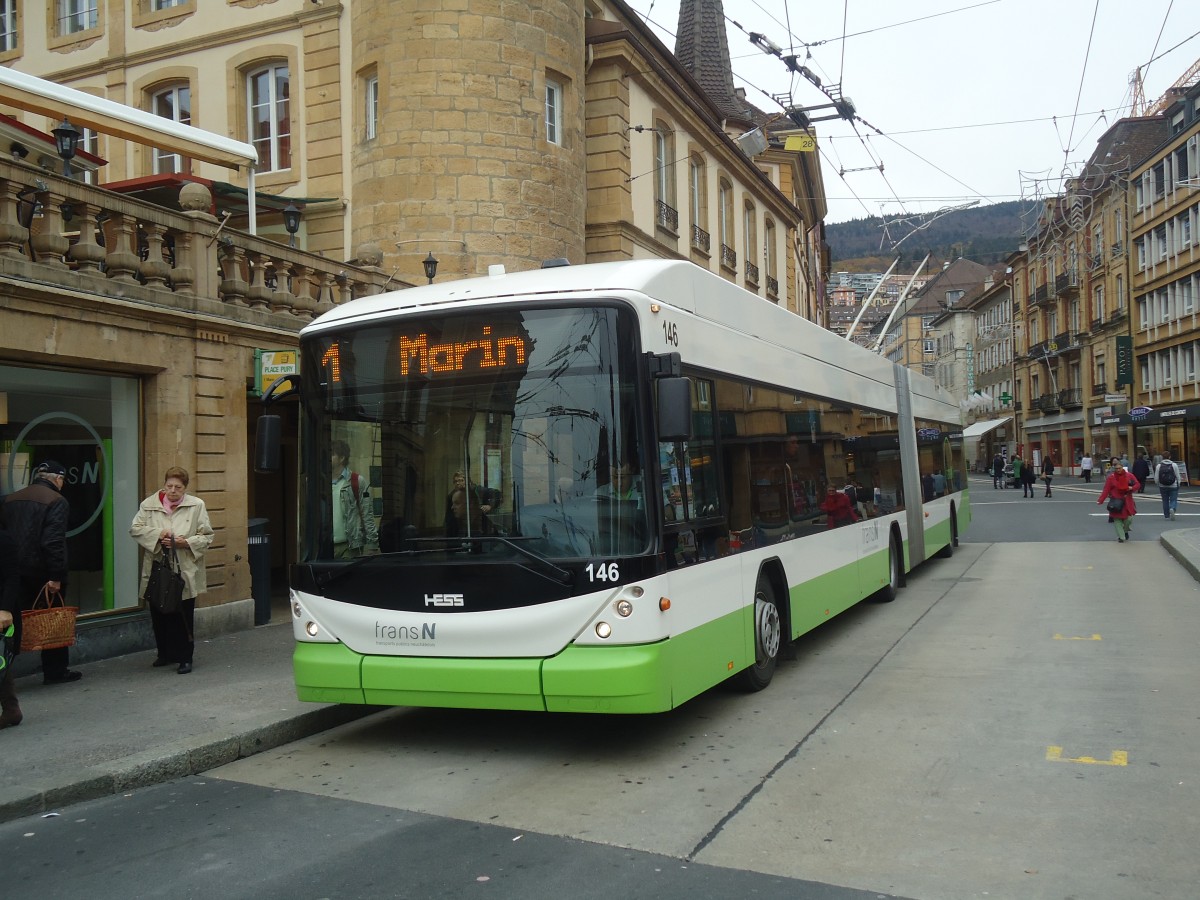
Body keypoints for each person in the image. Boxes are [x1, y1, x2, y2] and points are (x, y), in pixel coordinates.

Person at [1, 460, 80, 685]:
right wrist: (56, 575)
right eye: (63, 480)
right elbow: (52, 541)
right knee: (53, 621)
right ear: (57, 479)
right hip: (42, 572)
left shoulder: (11, 499)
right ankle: (56, 671)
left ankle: (5, 671)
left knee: (11, 621)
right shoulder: (57, 500)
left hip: (12, 571)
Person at [130, 467, 214, 675]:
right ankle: (164, 653)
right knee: (159, 611)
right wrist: (160, 534)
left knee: (183, 614)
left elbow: (207, 536)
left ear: (185, 488)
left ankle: (185, 657)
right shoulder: (148, 505)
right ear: (164, 484)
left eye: (178, 487)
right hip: (158, 567)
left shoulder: (196, 505)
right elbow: (136, 529)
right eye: (169, 486)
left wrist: (185, 542)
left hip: (183, 567)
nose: (173, 491)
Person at [331, 440, 379, 558]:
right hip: (325, 546)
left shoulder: (357, 481)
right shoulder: (320, 481)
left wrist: (372, 545)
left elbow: (367, 513)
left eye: (332, 454)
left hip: (350, 546)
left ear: (342, 458)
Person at [0, 522, 21, 727]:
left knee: (0, 661)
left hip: (1, 610)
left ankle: (11, 709)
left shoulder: (3, 538)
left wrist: (5, 609)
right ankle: (11, 710)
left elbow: (13, 577)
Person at [1097, 456, 1139, 542]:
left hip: (1127, 501)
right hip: (1116, 502)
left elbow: (1137, 484)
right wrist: (1101, 500)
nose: (1118, 470)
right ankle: (1121, 537)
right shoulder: (1111, 478)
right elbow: (1106, 490)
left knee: (1129, 519)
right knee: (1117, 519)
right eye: (1116, 469)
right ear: (1114, 469)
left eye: (1119, 468)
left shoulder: (1129, 476)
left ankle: (1125, 531)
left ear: (1122, 467)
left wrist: (1131, 488)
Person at [1155, 451, 1182, 520]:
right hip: (1173, 485)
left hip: (1162, 486)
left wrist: (1157, 483)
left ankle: (1167, 515)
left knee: (1165, 500)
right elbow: (1177, 475)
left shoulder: (1159, 466)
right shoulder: (1174, 465)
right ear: (1170, 457)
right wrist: (1179, 482)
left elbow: (1156, 477)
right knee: (1173, 499)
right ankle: (1172, 508)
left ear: (1162, 457)